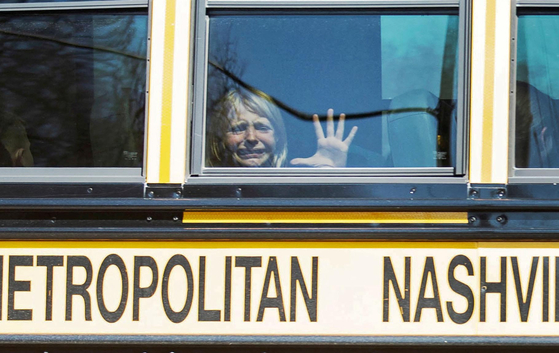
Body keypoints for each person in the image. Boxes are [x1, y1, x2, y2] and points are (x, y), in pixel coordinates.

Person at [206, 89, 357, 168]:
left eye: (262, 127)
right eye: (238, 128)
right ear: (220, 138)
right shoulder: (205, 189)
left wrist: (328, 172)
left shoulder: (295, 184)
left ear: (278, 137)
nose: (251, 137)